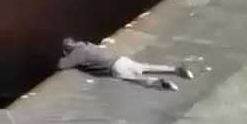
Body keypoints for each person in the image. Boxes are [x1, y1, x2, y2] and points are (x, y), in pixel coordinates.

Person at [57, 38, 193, 91]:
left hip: (114, 68)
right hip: (121, 60)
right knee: (145, 68)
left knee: (137, 80)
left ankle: (161, 84)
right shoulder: (87, 46)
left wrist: (64, 57)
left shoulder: (76, 54)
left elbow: (61, 65)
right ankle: (176, 70)